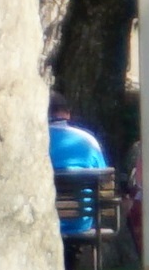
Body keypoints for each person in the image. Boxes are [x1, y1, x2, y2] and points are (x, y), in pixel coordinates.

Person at [48, 96, 112, 252]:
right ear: (67, 114)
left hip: (42, 221)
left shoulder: (32, 141)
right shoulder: (88, 140)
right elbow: (104, 181)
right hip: (79, 221)